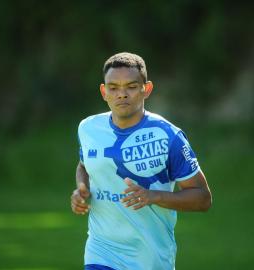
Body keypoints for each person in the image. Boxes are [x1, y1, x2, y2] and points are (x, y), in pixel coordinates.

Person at [71, 52, 212, 270]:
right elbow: (85, 165)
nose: (122, 94)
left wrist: (153, 196)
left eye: (131, 86)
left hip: (150, 258)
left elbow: (203, 198)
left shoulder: (168, 136)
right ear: (103, 91)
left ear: (146, 89)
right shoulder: (88, 128)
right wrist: (81, 188)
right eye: (114, 87)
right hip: (101, 252)